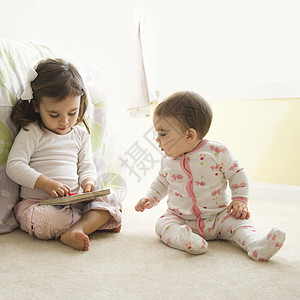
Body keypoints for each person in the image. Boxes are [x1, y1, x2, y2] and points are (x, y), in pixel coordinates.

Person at [135, 91, 285, 261]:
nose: (157, 140)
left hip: (218, 217)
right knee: (162, 225)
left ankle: (256, 244)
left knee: (240, 223)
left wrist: (239, 200)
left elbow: (237, 173)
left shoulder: (216, 151)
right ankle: (188, 241)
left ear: (189, 135)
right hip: (180, 218)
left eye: (163, 134)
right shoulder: (167, 161)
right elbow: (161, 182)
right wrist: (150, 198)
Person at [6, 58, 122, 251]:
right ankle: (87, 224)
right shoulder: (32, 132)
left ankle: (76, 229)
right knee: (51, 220)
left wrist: (88, 182)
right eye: (54, 114)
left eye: (72, 112)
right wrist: (45, 183)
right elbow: (14, 165)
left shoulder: (81, 134)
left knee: (112, 198)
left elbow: (86, 165)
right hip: (38, 204)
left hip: (74, 201)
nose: (65, 121)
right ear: (36, 106)